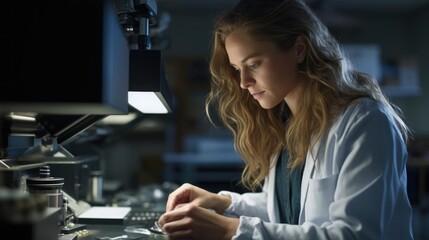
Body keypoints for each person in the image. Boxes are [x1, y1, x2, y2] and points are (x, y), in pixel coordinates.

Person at [158, 0, 415, 239]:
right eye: (238, 69)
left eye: (255, 64)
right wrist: (223, 202)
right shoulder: (286, 121)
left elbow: (355, 234)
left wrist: (230, 229)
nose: (243, 82)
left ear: (299, 50)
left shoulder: (365, 122)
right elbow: (284, 211)